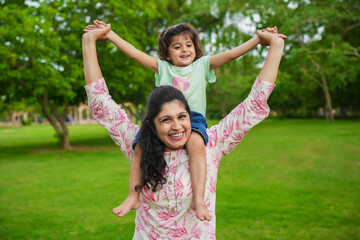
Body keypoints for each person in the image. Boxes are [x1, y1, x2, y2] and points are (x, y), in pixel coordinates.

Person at [82, 23, 285, 239]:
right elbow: (100, 102)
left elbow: (254, 102)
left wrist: (275, 46)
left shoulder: (211, 144)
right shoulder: (140, 144)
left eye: (182, 117)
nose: (177, 127)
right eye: (166, 120)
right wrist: (89, 42)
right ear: (152, 124)